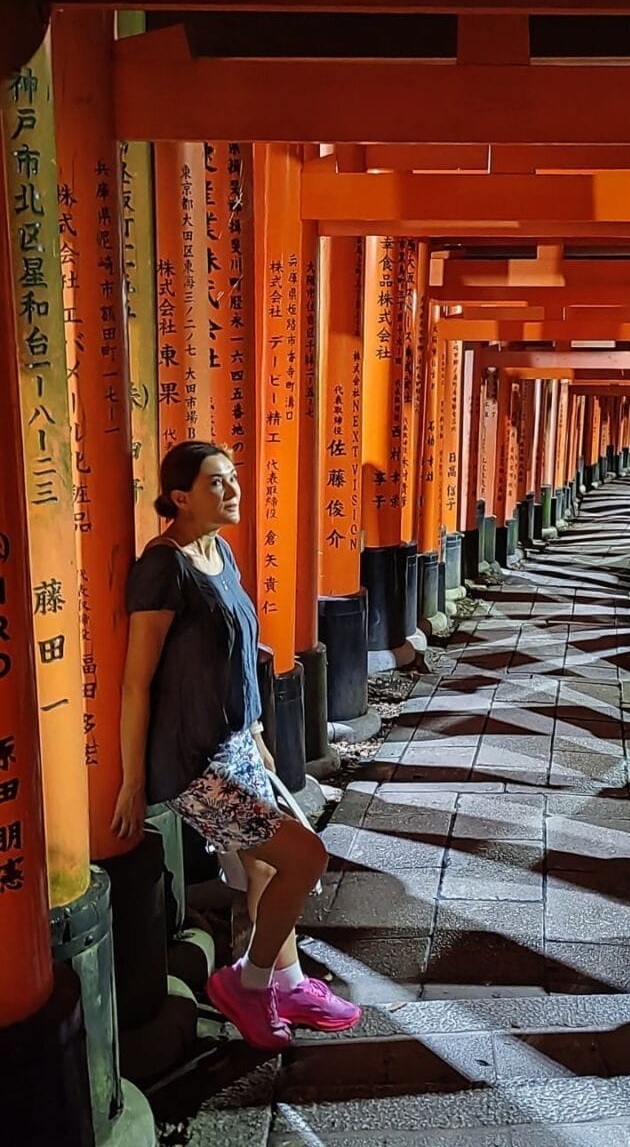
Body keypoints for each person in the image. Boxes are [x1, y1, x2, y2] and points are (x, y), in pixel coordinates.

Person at [112, 441, 361, 1050]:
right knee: (306, 858)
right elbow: (136, 681)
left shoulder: (219, 553)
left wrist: (254, 733)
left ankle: (291, 983)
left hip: (236, 743)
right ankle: (248, 985)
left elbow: (235, 658)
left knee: (269, 869)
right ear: (180, 498)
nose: (232, 491)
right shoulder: (163, 568)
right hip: (193, 761)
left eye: (232, 479)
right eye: (216, 483)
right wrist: (131, 779)